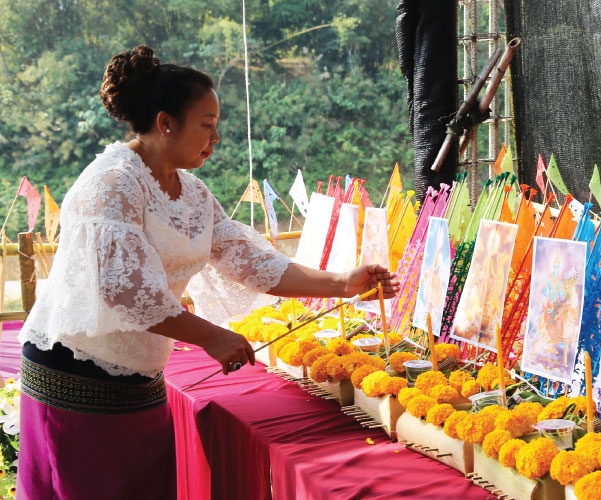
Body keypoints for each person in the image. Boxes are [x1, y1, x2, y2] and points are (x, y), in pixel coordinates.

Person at [16, 45, 399, 499]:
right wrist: (212, 336)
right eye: (207, 125)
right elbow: (123, 292)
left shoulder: (193, 193)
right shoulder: (112, 182)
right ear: (165, 123)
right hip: (76, 378)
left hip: (139, 379)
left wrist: (341, 283)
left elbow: (253, 262)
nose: (216, 139)